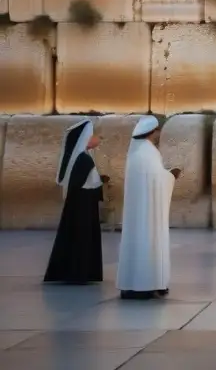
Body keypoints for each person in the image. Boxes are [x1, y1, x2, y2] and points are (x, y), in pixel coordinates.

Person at [116, 116, 180, 300]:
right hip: (149, 211)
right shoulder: (148, 152)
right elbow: (157, 179)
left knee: (137, 241)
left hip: (139, 210)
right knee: (149, 241)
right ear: (152, 132)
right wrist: (172, 176)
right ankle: (146, 284)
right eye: (157, 130)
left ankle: (135, 283)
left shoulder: (136, 151)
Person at [44, 120, 107, 285]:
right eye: (93, 135)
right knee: (81, 238)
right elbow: (83, 183)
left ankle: (81, 272)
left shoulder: (83, 157)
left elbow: (85, 181)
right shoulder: (83, 160)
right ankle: (79, 272)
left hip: (81, 205)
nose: (97, 138)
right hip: (83, 206)